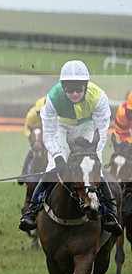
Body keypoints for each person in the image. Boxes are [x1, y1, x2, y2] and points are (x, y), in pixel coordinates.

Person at [19, 60, 122, 235]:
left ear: (86, 86)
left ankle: (110, 214)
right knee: (52, 168)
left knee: (94, 169)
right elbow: (48, 134)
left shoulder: (99, 97)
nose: (74, 93)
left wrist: (94, 155)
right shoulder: (52, 98)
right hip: (62, 128)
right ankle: (32, 212)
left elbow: (101, 132)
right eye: (70, 89)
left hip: (88, 126)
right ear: (63, 87)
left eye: (79, 89)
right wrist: (58, 158)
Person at [20, 96, 47, 177]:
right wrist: (35, 140)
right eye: (39, 113)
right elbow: (27, 130)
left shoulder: (53, 114)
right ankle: (24, 173)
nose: (41, 115)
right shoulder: (30, 116)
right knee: (31, 150)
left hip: (49, 136)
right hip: (35, 136)